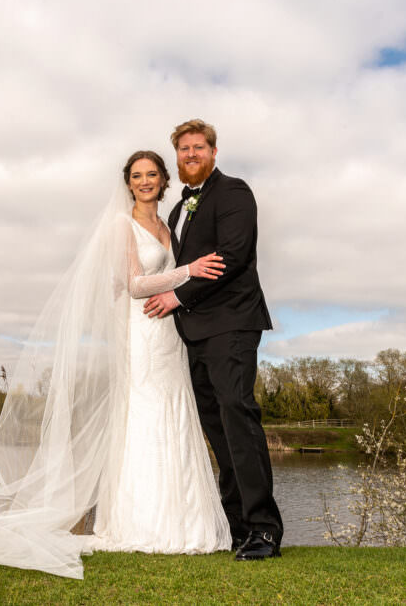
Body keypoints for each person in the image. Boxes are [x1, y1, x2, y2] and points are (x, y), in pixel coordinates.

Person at [0, 150, 230, 579]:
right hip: (141, 333)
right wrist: (191, 271)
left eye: (152, 174)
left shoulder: (168, 225)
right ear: (128, 183)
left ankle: (186, 524)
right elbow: (134, 283)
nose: (145, 181)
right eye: (136, 175)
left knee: (175, 415)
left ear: (164, 180)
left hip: (169, 335)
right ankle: (140, 524)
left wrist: (182, 274)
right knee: (144, 418)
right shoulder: (120, 224)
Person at [143, 119, 283, 560]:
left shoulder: (235, 193)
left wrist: (176, 296)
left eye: (198, 147)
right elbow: (184, 264)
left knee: (238, 419)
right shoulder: (176, 210)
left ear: (213, 152)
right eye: (183, 149)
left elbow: (233, 255)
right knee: (218, 429)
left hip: (233, 325)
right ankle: (238, 526)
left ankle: (264, 530)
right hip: (195, 332)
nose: (190, 154)